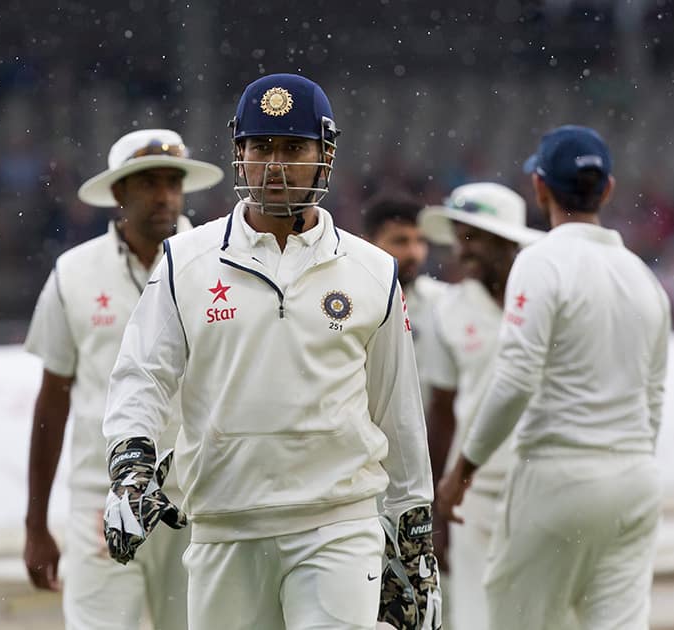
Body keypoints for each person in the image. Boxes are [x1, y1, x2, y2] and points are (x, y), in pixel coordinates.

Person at [102, 73, 441, 630]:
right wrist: (130, 466)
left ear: (325, 154)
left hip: (338, 523)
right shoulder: (184, 260)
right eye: (261, 147)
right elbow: (142, 374)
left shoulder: (372, 270)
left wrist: (413, 535)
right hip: (223, 524)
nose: (275, 166)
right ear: (239, 153)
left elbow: (397, 411)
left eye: (293, 148)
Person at [436, 126, 671, 630]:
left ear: (539, 188)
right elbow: (654, 397)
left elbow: (517, 378)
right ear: (607, 189)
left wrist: (463, 471)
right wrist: (627, 463)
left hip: (558, 474)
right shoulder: (644, 277)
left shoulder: (541, 262)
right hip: (636, 480)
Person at [23, 128, 223, 630]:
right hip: (102, 499)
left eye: (173, 183)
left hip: (195, 497)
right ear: (118, 193)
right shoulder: (73, 273)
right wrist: (36, 522)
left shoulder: (219, 264)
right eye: (148, 183)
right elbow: (52, 400)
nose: (165, 196)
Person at [417, 183, 542, 630]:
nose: (460, 248)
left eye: (472, 237)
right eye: (457, 235)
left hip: (544, 481)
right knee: (476, 616)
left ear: (506, 241)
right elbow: (443, 413)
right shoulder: (447, 310)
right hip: (473, 492)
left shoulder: (545, 298)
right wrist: (436, 505)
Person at [362, 193, 447, 412]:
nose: (414, 253)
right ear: (367, 243)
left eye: (420, 241)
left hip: (431, 438)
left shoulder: (443, 302)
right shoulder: (350, 304)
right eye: (400, 241)